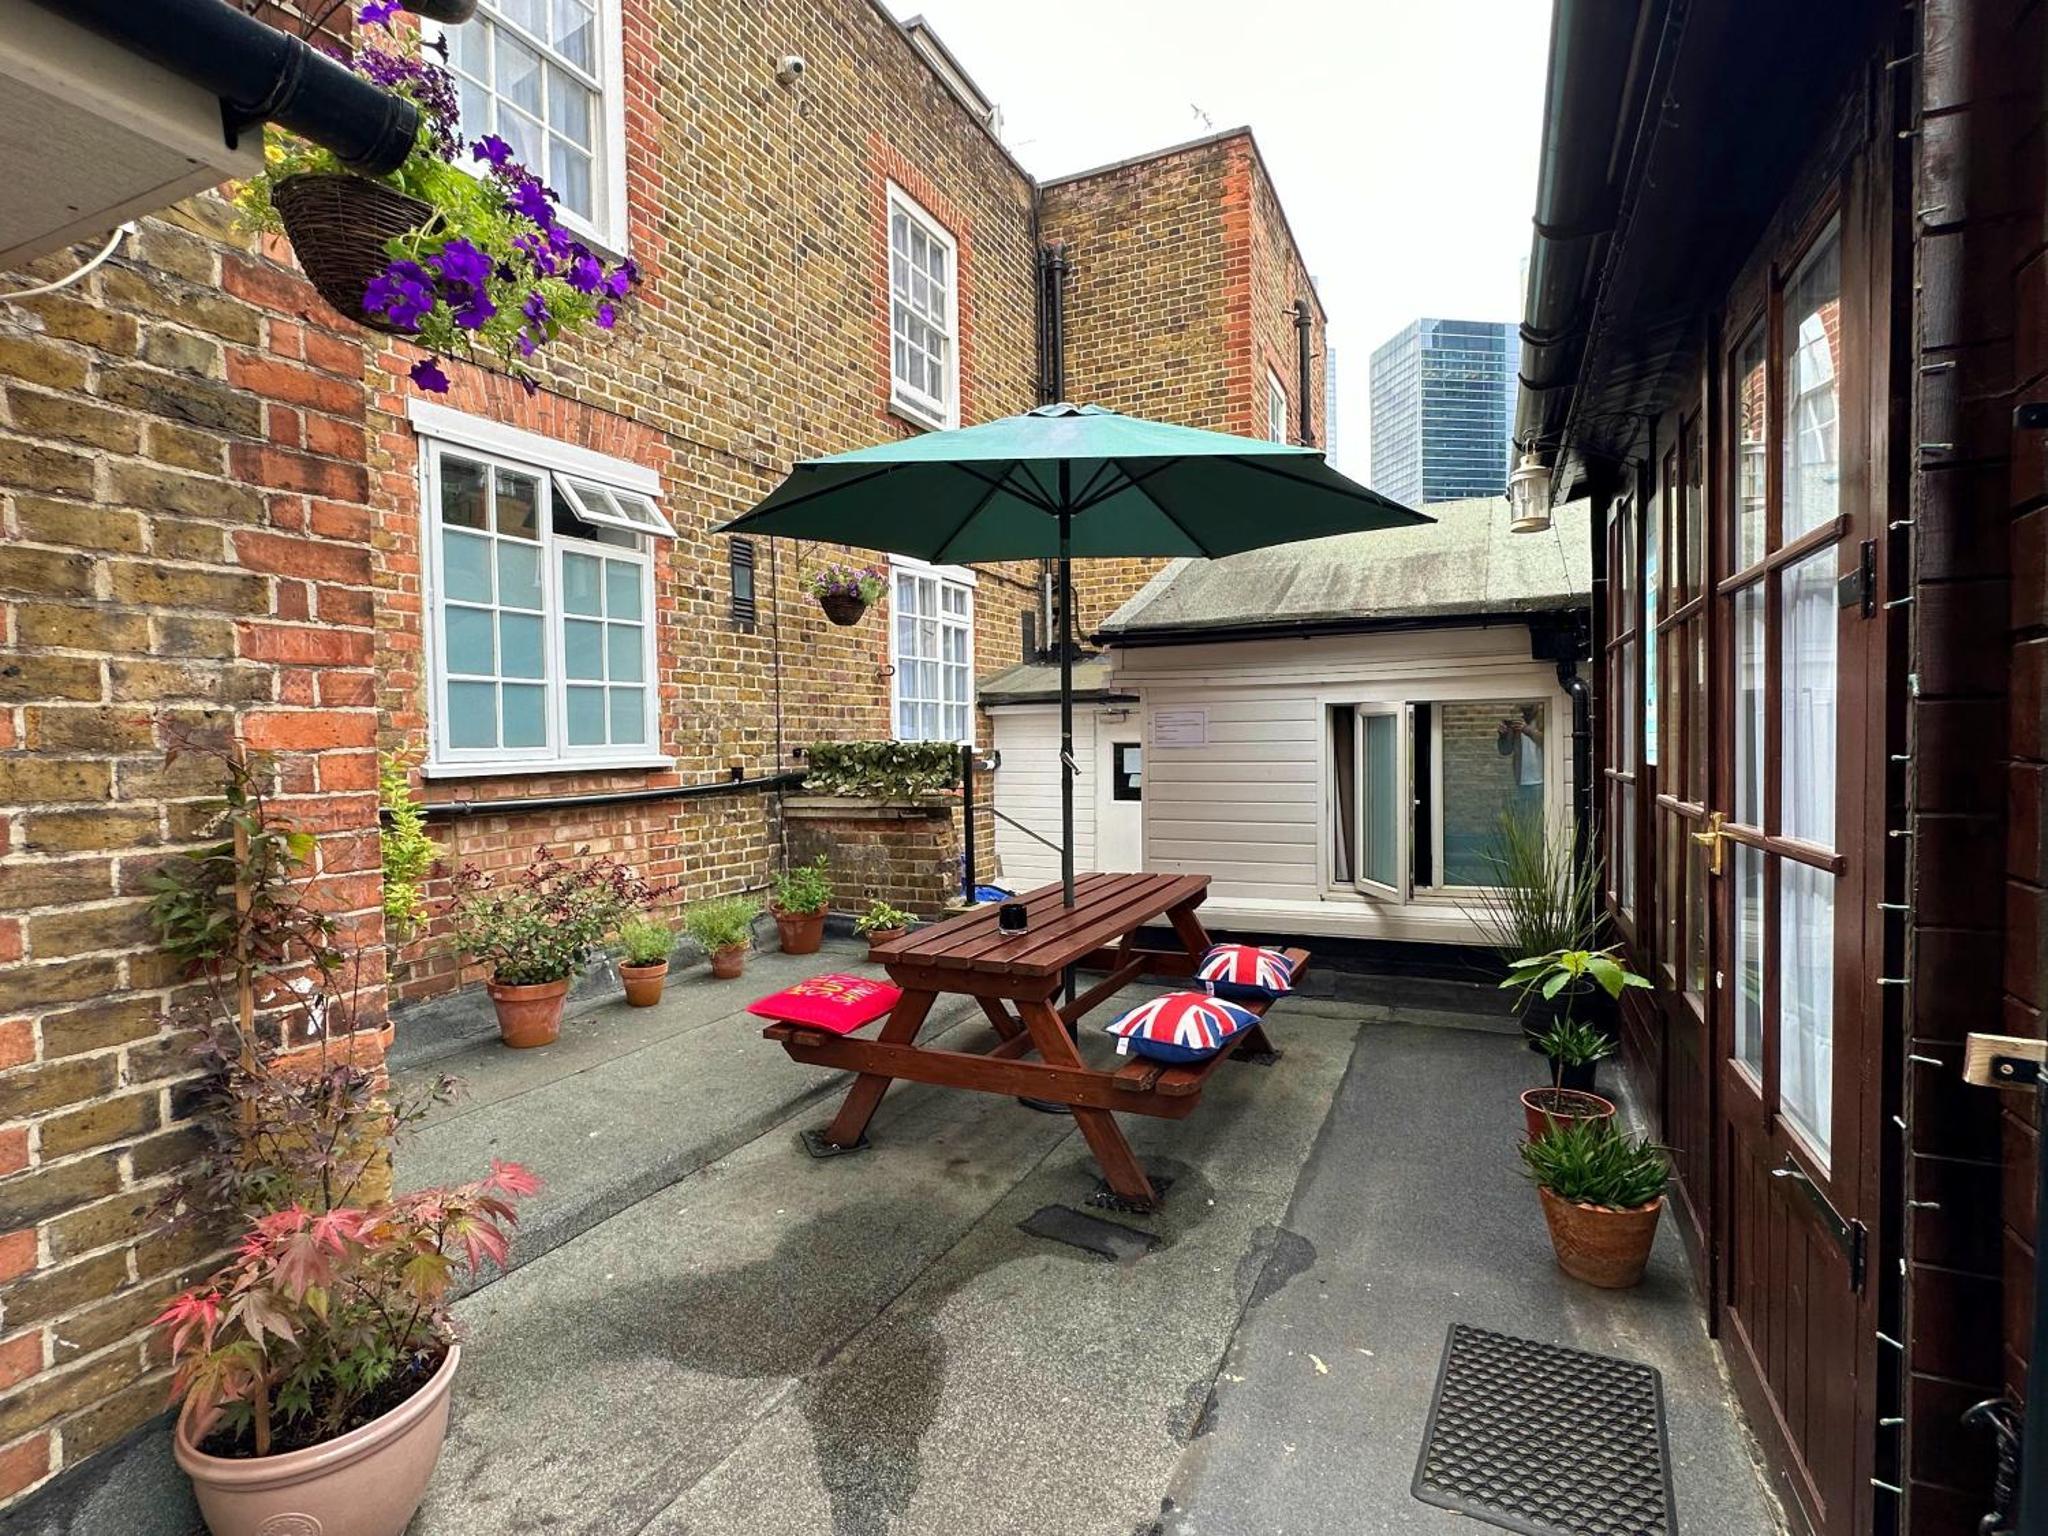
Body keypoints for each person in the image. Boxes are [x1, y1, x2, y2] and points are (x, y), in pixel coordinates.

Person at [1497, 704, 1545, 821]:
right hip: (1522, 781)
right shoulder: (1517, 723)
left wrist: (1527, 730)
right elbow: (1505, 750)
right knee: (1525, 820)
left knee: (1542, 818)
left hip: (1542, 780)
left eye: (1528, 706)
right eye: (1523, 708)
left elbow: (1547, 742)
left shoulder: (1544, 719)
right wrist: (1503, 735)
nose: (1525, 710)